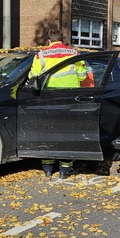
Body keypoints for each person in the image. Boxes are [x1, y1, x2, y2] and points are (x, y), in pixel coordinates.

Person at [28, 29, 87, 178]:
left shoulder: (41, 55)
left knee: (48, 131)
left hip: (49, 98)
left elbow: (33, 77)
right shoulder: (74, 53)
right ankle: (65, 169)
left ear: (49, 40)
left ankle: (48, 167)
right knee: (68, 133)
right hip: (71, 98)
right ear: (62, 40)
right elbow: (82, 75)